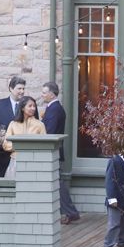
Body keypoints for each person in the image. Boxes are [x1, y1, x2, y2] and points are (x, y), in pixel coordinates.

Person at [39, 80, 81, 223]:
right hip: (54, 151)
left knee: (58, 183)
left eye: (44, 92)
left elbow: (49, 132)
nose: (42, 95)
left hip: (52, 152)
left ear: (51, 94)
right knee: (57, 182)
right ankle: (69, 211)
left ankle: (71, 211)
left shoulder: (55, 109)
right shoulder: (54, 108)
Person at [0, 76, 27, 178]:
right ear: (11, 88)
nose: (22, 91)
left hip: (22, 154)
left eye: (23, 89)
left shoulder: (28, 105)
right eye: (19, 88)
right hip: (2, 153)